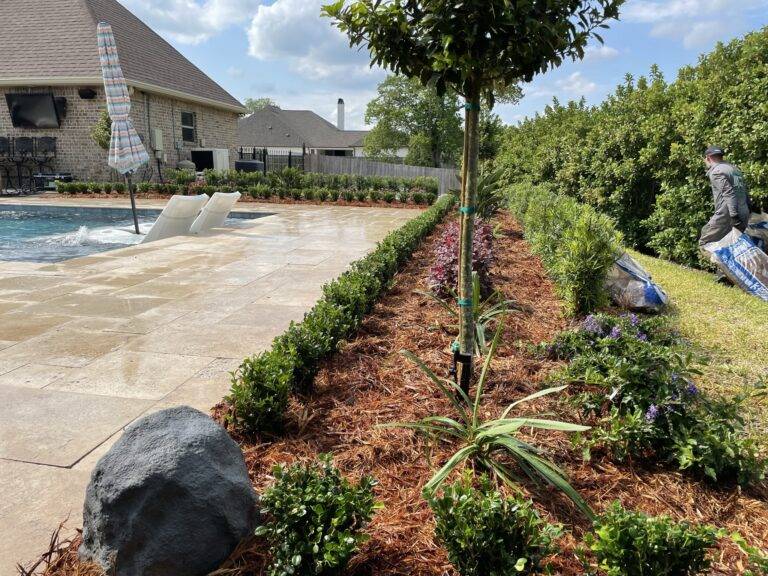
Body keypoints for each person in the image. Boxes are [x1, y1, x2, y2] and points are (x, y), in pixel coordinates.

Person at [699, 145, 751, 248]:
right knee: (732, 245)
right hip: (744, 212)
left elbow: (728, 193)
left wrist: (734, 216)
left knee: (705, 241)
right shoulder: (734, 169)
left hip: (728, 214)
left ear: (708, 158)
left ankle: (717, 263)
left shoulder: (716, 172)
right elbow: (744, 192)